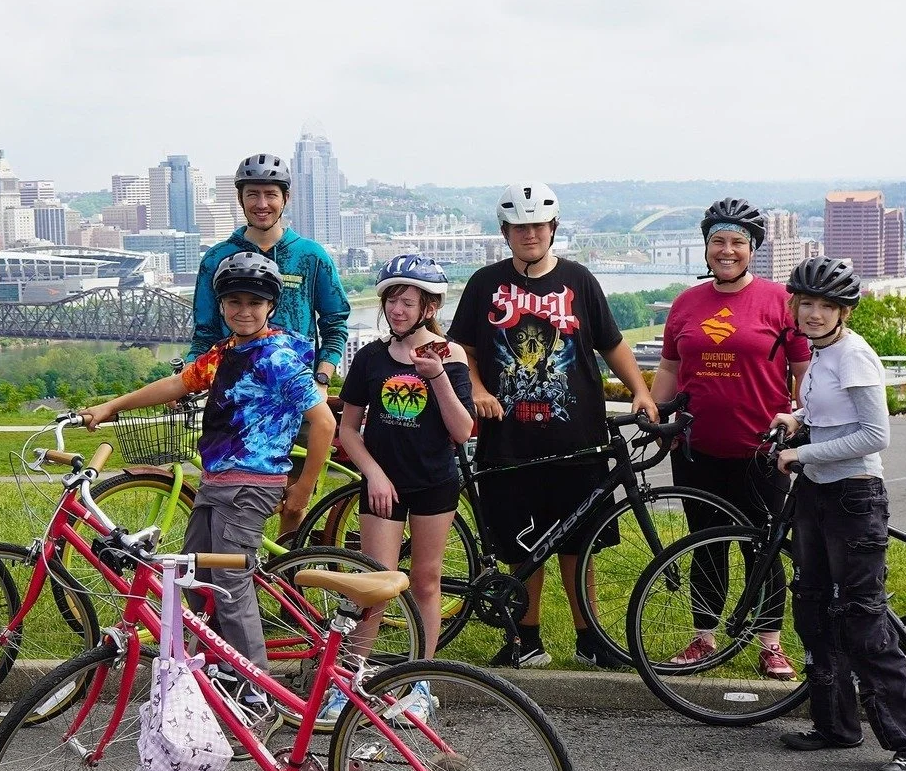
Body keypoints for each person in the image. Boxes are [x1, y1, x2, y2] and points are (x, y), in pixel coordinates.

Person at [83, 252, 334, 718]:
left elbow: (322, 423)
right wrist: (112, 406)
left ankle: (258, 696)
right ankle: (209, 672)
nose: (244, 310)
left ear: (271, 306)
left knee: (230, 584)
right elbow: (178, 383)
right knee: (192, 578)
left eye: (254, 302)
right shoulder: (224, 354)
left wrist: (301, 492)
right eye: (233, 301)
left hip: (251, 484)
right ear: (221, 306)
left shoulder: (278, 357)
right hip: (216, 481)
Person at [448, 181, 660, 667]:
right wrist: (477, 389)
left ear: (553, 228)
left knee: (578, 541)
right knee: (522, 544)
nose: (530, 234)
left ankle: (591, 639)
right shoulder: (485, 283)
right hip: (509, 438)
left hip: (578, 437)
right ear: (505, 231)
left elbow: (611, 343)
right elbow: (465, 350)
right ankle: (527, 639)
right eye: (520, 227)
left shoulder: (579, 280)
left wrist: (641, 390)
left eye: (538, 225)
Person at [650, 198, 810, 677]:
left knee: (764, 546)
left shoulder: (780, 301)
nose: (727, 250)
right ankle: (704, 637)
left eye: (737, 242)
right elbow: (670, 367)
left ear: (753, 248)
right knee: (705, 542)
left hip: (763, 450)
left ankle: (770, 643)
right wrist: (657, 417)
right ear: (705, 248)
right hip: (697, 448)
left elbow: (804, 372)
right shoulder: (686, 303)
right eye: (718, 241)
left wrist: (801, 422)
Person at [770, 258, 906, 771]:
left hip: (854, 498)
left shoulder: (854, 356)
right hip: (818, 495)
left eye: (826, 306)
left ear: (844, 312)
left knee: (863, 618)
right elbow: (830, 412)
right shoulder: (822, 353)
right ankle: (836, 725)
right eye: (806, 303)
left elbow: (876, 435)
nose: (813, 313)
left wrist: (802, 455)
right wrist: (798, 419)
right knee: (812, 609)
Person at [332, 256, 474, 717]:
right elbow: (349, 429)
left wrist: (436, 379)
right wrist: (373, 472)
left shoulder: (450, 356)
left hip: (433, 482)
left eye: (407, 301)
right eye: (391, 300)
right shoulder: (372, 358)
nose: (397, 309)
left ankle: (421, 683)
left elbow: (462, 430)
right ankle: (350, 679)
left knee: (426, 581)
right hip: (383, 486)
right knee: (374, 583)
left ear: (429, 306)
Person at [190, 153, 350, 390]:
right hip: (235, 398)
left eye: (271, 194)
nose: (262, 204)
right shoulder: (216, 258)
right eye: (252, 194)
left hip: (298, 395)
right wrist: (187, 374)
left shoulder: (311, 255)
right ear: (240, 198)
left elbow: (335, 322)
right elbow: (205, 333)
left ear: (286, 197)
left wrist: (322, 377)